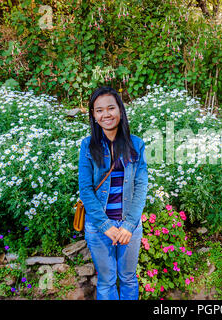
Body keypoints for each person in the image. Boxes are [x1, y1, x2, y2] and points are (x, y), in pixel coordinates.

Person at [78, 86, 148, 300]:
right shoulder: (88, 146)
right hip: (99, 228)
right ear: (93, 115)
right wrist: (105, 225)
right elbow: (86, 189)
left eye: (110, 108)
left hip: (130, 227)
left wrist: (128, 225)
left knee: (128, 278)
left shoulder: (136, 144)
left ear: (120, 110)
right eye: (99, 110)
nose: (105, 114)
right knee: (107, 281)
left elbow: (141, 186)